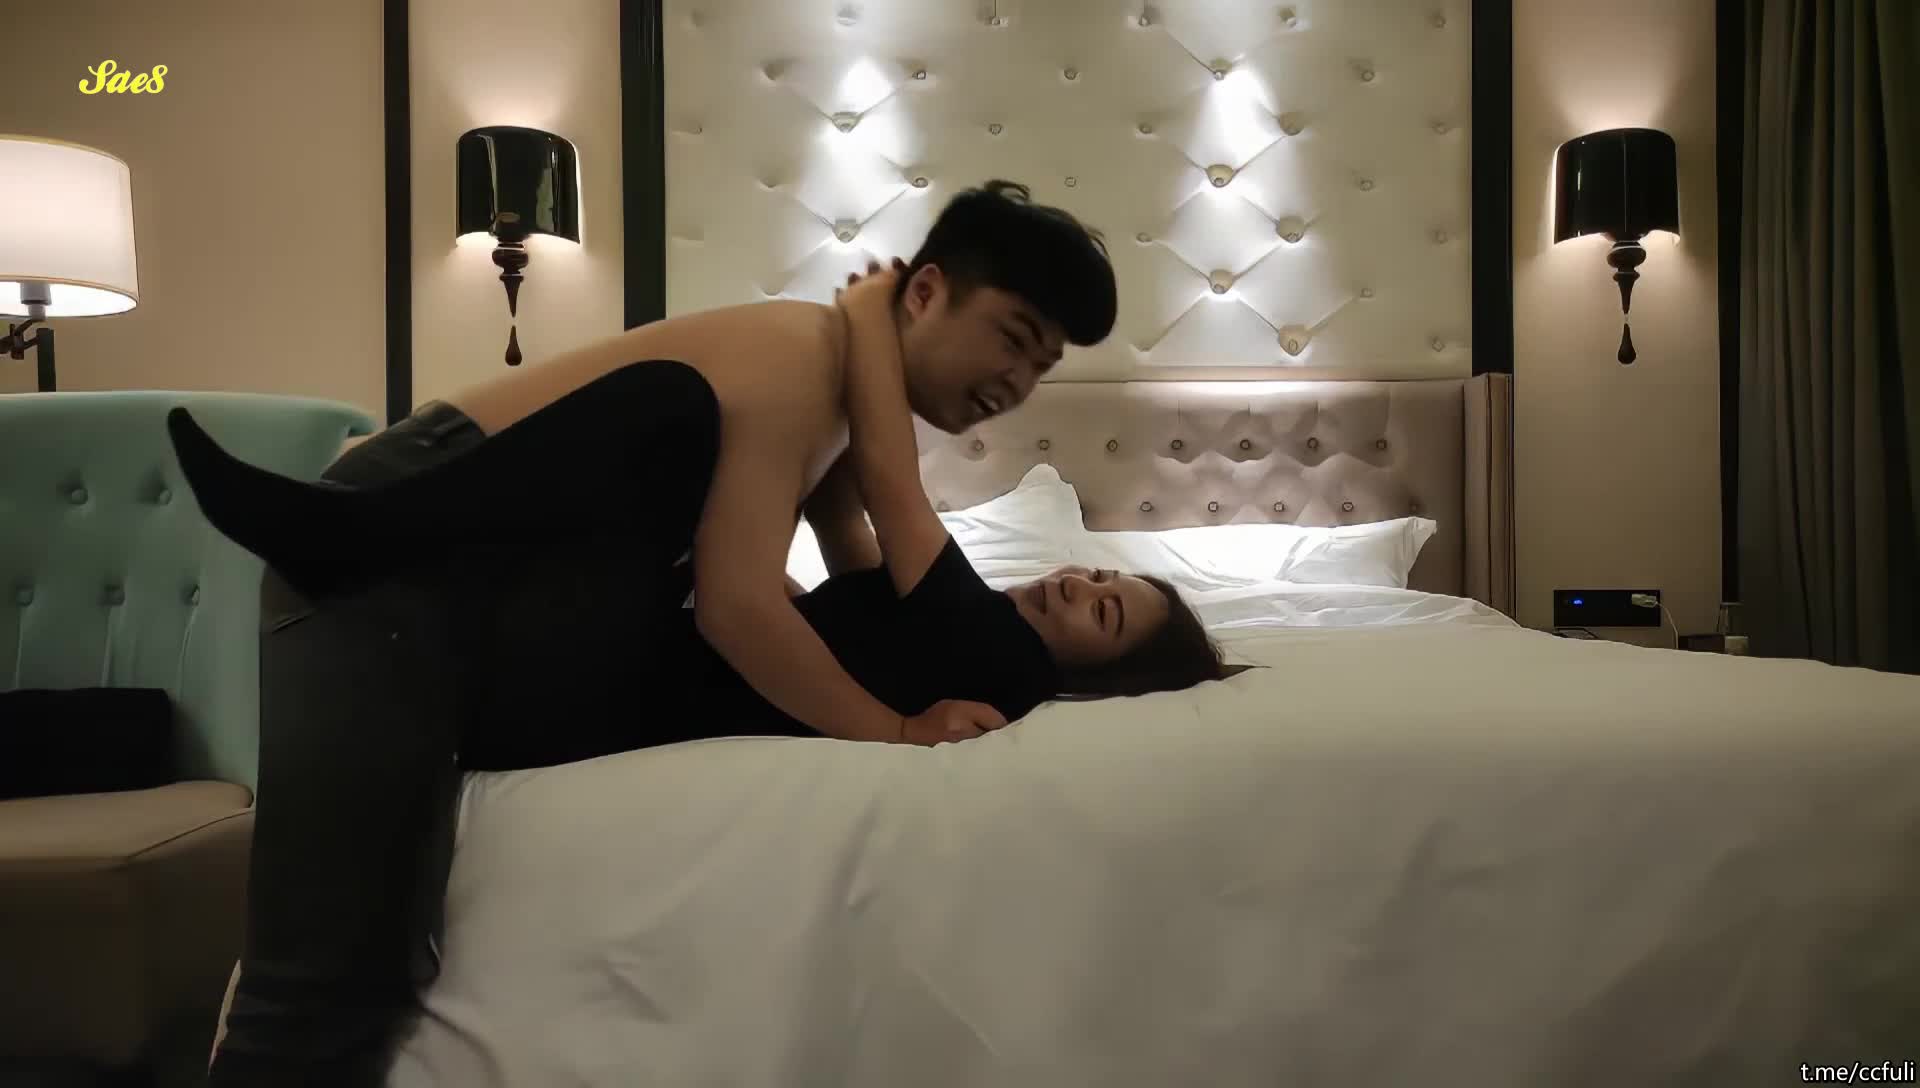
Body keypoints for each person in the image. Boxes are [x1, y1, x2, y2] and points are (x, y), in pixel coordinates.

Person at [177, 180, 1121, 1085]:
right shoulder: (802, 357)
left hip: (473, 589)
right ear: (926, 291)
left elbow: (794, 558)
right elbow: (739, 608)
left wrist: (872, 336)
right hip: (395, 552)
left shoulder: (833, 397)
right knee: (320, 990)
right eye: (1013, 339)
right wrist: (897, 731)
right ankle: (347, 518)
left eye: (1042, 367)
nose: (1019, 383)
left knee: (362, 977)